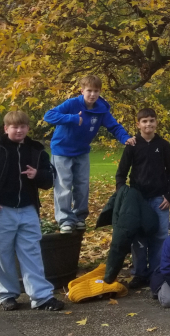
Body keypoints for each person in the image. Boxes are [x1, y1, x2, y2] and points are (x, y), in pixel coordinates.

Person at [0, 111, 65, 311]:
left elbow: (49, 180)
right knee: (2, 255)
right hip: (0, 211)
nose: (19, 130)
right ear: (6, 129)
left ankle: (41, 297)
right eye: (14, 127)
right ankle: (7, 295)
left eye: (22, 126)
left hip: (28, 210)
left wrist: (37, 175)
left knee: (32, 253)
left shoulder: (37, 152)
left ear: (28, 128)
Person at [44, 75, 132, 234]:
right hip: (62, 150)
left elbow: (114, 126)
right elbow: (49, 115)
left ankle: (79, 218)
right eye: (89, 91)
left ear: (100, 92)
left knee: (82, 185)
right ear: (82, 90)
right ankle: (65, 220)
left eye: (96, 91)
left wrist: (125, 138)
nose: (92, 94)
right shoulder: (72, 104)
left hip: (82, 151)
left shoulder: (101, 109)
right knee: (64, 186)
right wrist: (70, 118)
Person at [115, 108, 170, 289]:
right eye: (144, 121)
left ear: (156, 123)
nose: (148, 124)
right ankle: (140, 273)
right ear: (138, 124)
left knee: (159, 236)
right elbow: (121, 174)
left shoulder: (163, 145)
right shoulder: (132, 145)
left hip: (160, 199)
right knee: (139, 237)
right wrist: (123, 193)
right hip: (138, 200)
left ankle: (156, 272)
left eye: (151, 120)